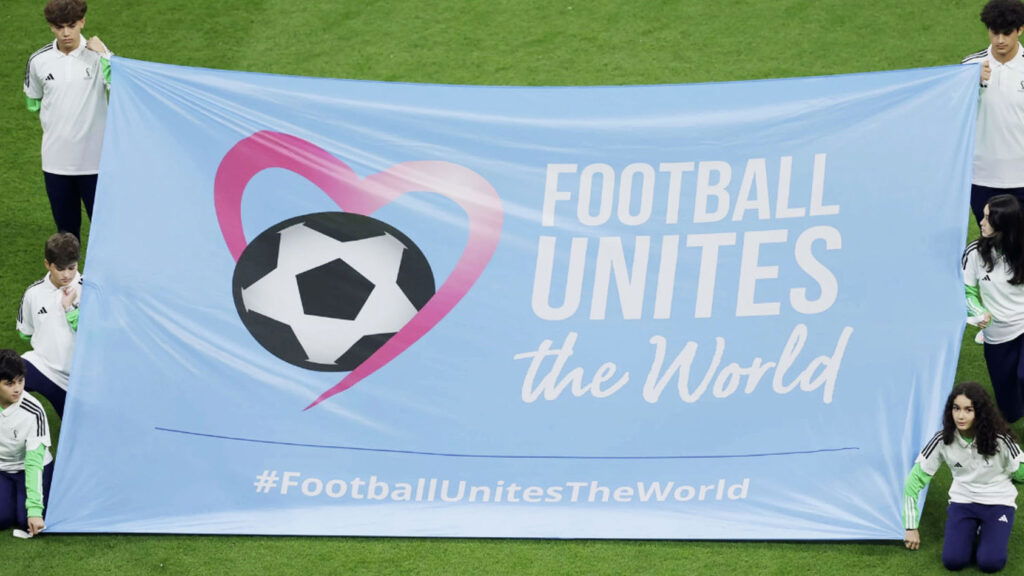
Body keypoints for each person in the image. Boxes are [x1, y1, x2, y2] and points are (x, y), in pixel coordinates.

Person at [902, 382, 1024, 572]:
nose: (960, 415)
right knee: (953, 561)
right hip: (963, 502)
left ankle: (986, 531)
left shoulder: (1001, 439)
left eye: (968, 410)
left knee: (990, 563)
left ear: (980, 412)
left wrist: (1017, 474)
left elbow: (1021, 471)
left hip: (998, 502)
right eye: (956, 408)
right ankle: (973, 531)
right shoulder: (942, 439)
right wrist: (910, 527)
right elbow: (914, 481)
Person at [23, 0, 112, 242]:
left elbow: (120, 86)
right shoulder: (38, 61)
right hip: (56, 163)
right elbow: (33, 101)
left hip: (96, 162)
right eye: (59, 27)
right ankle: (70, 269)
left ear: (82, 22)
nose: (65, 33)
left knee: (105, 228)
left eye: (71, 26)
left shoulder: (99, 56)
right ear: (51, 27)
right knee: (66, 231)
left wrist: (105, 55)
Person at [963, 194, 1024, 423]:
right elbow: (966, 291)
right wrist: (978, 311)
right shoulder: (974, 253)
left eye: (988, 218)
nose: (981, 222)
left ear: (1004, 224)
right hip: (997, 334)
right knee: (1008, 407)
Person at [963, 0, 1024, 227]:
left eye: (1006, 33)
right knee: (989, 241)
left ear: (1020, 30)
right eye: (994, 32)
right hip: (982, 176)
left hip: (1022, 176)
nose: (1000, 40)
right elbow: (954, 113)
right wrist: (972, 82)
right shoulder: (970, 66)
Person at [17, 233, 82, 419]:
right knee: (7, 375)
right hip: (43, 366)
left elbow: (96, 335)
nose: (67, 275)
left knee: (76, 428)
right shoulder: (33, 293)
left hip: (78, 379)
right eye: (60, 268)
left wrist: (70, 309)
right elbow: (25, 333)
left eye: (72, 267)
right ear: (47, 264)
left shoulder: (89, 290)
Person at [0, 350, 54, 538]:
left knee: (27, 521)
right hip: (2, 469)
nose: (17, 389)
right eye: (9, 383)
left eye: (20, 381)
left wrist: (35, 510)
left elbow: (33, 462)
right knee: (2, 518)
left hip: (30, 467)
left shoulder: (34, 412)